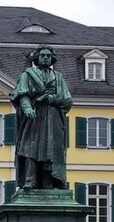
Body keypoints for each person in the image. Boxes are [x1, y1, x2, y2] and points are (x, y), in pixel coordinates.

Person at [10, 44, 72, 190]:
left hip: (53, 118)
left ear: (52, 59)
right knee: (30, 148)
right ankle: (30, 180)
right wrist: (27, 109)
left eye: (48, 56)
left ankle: (48, 181)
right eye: (42, 55)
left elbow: (68, 100)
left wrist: (50, 99)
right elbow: (21, 94)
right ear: (37, 58)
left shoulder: (58, 77)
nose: (45, 58)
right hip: (34, 116)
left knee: (50, 150)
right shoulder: (28, 74)